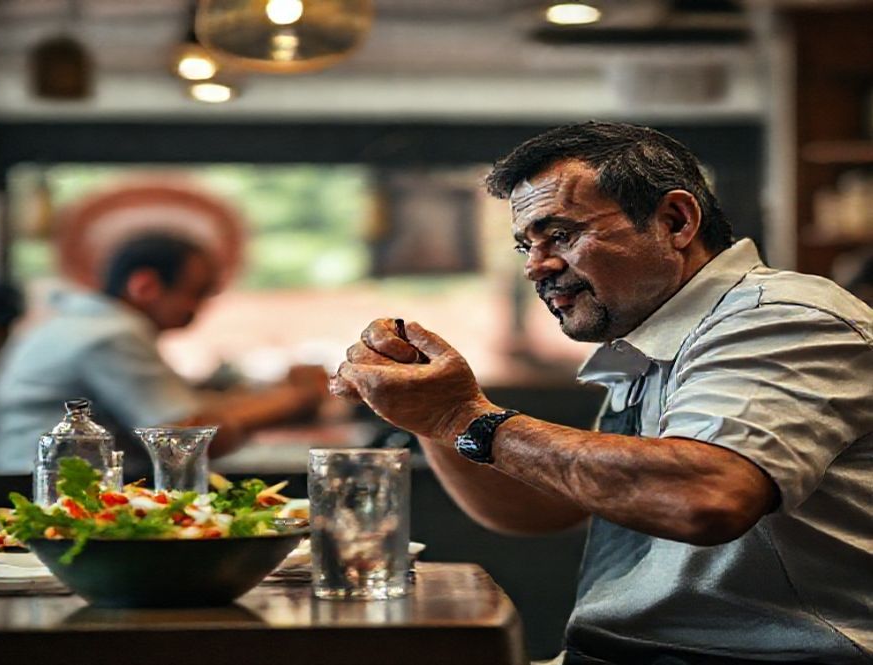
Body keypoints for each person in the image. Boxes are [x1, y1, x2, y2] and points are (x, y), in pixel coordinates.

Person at [331, 122, 873, 664]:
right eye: (527, 245)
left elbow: (707, 496)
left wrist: (461, 417)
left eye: (561, 234)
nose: (535, 266)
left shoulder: (780, 318)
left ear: (675, 221)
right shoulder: (657, 336)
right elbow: (542, 508)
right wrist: (427, 415)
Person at [0, 233, 327, 477]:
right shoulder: (108, 335)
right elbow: (182, 441)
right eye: (196, 293)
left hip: (40, 483)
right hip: (50, 495)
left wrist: (279, 396)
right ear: (145, 286)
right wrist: (295, 399)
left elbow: (191, 411)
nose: (199, 308)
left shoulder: (81, 322)